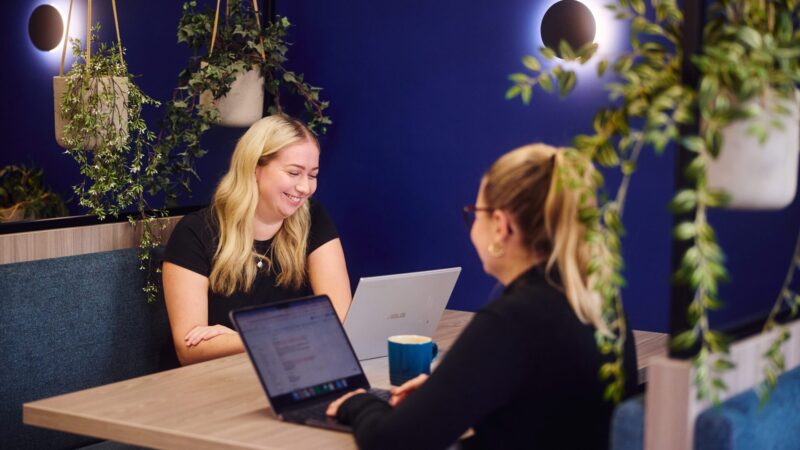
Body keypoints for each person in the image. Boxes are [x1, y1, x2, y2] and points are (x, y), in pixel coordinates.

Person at [327, 143, 638, 450]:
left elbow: (391, 443)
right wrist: (449, 390)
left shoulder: (512, 321)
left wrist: (360, 403)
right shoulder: (600, 303)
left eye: (475, 214)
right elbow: (540, 403)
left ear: (500, 226)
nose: (473, 227)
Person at [162, 115, 351, 366]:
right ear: (255, 168)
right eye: (294, 172)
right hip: (215, 378)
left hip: (288, 370)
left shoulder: (313, 219)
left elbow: (340, 321)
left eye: (312, 175)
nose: (305, 187)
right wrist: (282, 334)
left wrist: (242, 337)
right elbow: (189, 351)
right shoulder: (195, 232)